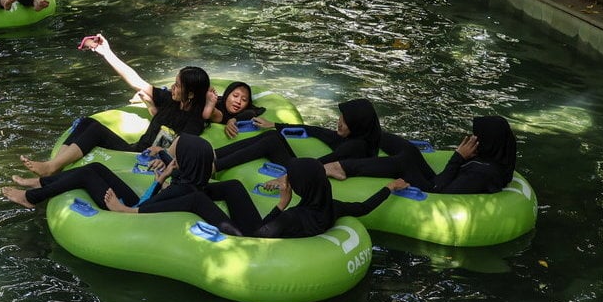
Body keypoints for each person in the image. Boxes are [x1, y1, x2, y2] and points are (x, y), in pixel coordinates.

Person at [19, 34, 218, 177]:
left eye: (177, 85)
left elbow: (181, 147)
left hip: (143, 159)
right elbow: (135, 80)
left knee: (95, 129)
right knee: (87, 122)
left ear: (190, 94)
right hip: (135, 149)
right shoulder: (169, 100)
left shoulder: (194, 121)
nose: (172, 88)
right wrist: (107, 53)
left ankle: (52, 168)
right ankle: (53, 166)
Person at [105, 157, 409, 238]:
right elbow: (364, 207)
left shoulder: (294, 216)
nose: (285, 181)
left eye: (291, 179)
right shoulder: (331, 206)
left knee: (196, 201)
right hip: (262, 228)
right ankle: (189, 185)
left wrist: (280, 204)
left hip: (247, 237)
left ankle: (131, 212)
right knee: (234, 186)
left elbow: (260, 236)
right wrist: (390, 188)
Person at [5, 135, 225, 221]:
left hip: (130, 213)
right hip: (141, 204)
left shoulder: (183, 190)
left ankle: (31, 197)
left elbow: (146, 208)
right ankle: (40, 182)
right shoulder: (191, 181)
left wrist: (158, 184)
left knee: (86, 174)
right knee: (97, 167)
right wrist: (162, 179)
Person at [324, 115, 518, 194]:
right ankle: (362, 131)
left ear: (490, 141)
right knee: (410, 150)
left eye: (478, 136)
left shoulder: (483, 175)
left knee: (402, 162)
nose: (473, 138)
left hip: (434, 189)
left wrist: (459, 157)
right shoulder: (495, 156)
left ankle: (341, 167)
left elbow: (439, 189)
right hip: (439, 181)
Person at [212, 98, 383, 173]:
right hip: (305, 167)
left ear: (357, 125)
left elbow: (324, 163)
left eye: (346, 122)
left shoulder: (356, 146)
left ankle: (214, 165)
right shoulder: (358, 135)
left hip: (304, 172)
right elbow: (318, 131)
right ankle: (214, 155)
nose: (339, 123)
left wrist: (292, 171)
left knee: (270, 140)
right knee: (272, 136)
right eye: (341, 118)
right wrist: (277, 125)